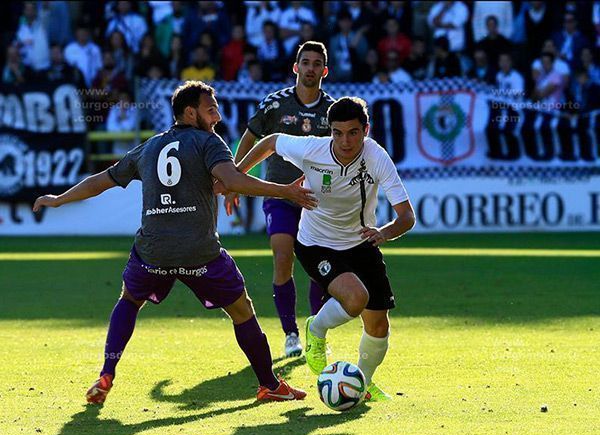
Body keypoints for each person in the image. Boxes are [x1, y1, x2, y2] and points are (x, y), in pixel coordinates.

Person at [32, 80, 315, 404]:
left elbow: (102, 181)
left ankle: (107, 373)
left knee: (129, 300)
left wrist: (59, 199)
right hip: (200, 252)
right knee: (242, 311)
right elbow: (233, 179)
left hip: (153, 251)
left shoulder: (149, 147)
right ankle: (270, 385)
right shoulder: (209, 143)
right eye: (211, 109)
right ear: (190, 112)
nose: (218, 116)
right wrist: (286, 191)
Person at [233, 97, 416, 401]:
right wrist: (236, 174)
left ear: (366, 130)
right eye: (338, 132)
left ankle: (361, 385)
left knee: (379, 326)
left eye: (353, 133)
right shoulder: (312, 149)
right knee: (356, 298)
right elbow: (271, 141)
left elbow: (407, 216)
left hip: (362, 242)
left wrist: (383, 233)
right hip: (315, 243)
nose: (345, 141)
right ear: (330, 130)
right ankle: (315, 331)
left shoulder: (377, 157)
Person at [226, 41, 335, 358]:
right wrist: (234, 179)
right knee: (283, 256)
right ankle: (290, 334)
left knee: (319, 267)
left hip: (316, 199)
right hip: (278, 192)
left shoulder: (333, 110)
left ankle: (317, 332)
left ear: (324, 71)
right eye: (306, 62)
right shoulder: (275, 105)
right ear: (295, 67)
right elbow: (250, 136)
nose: (311, 68)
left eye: (317, 63)